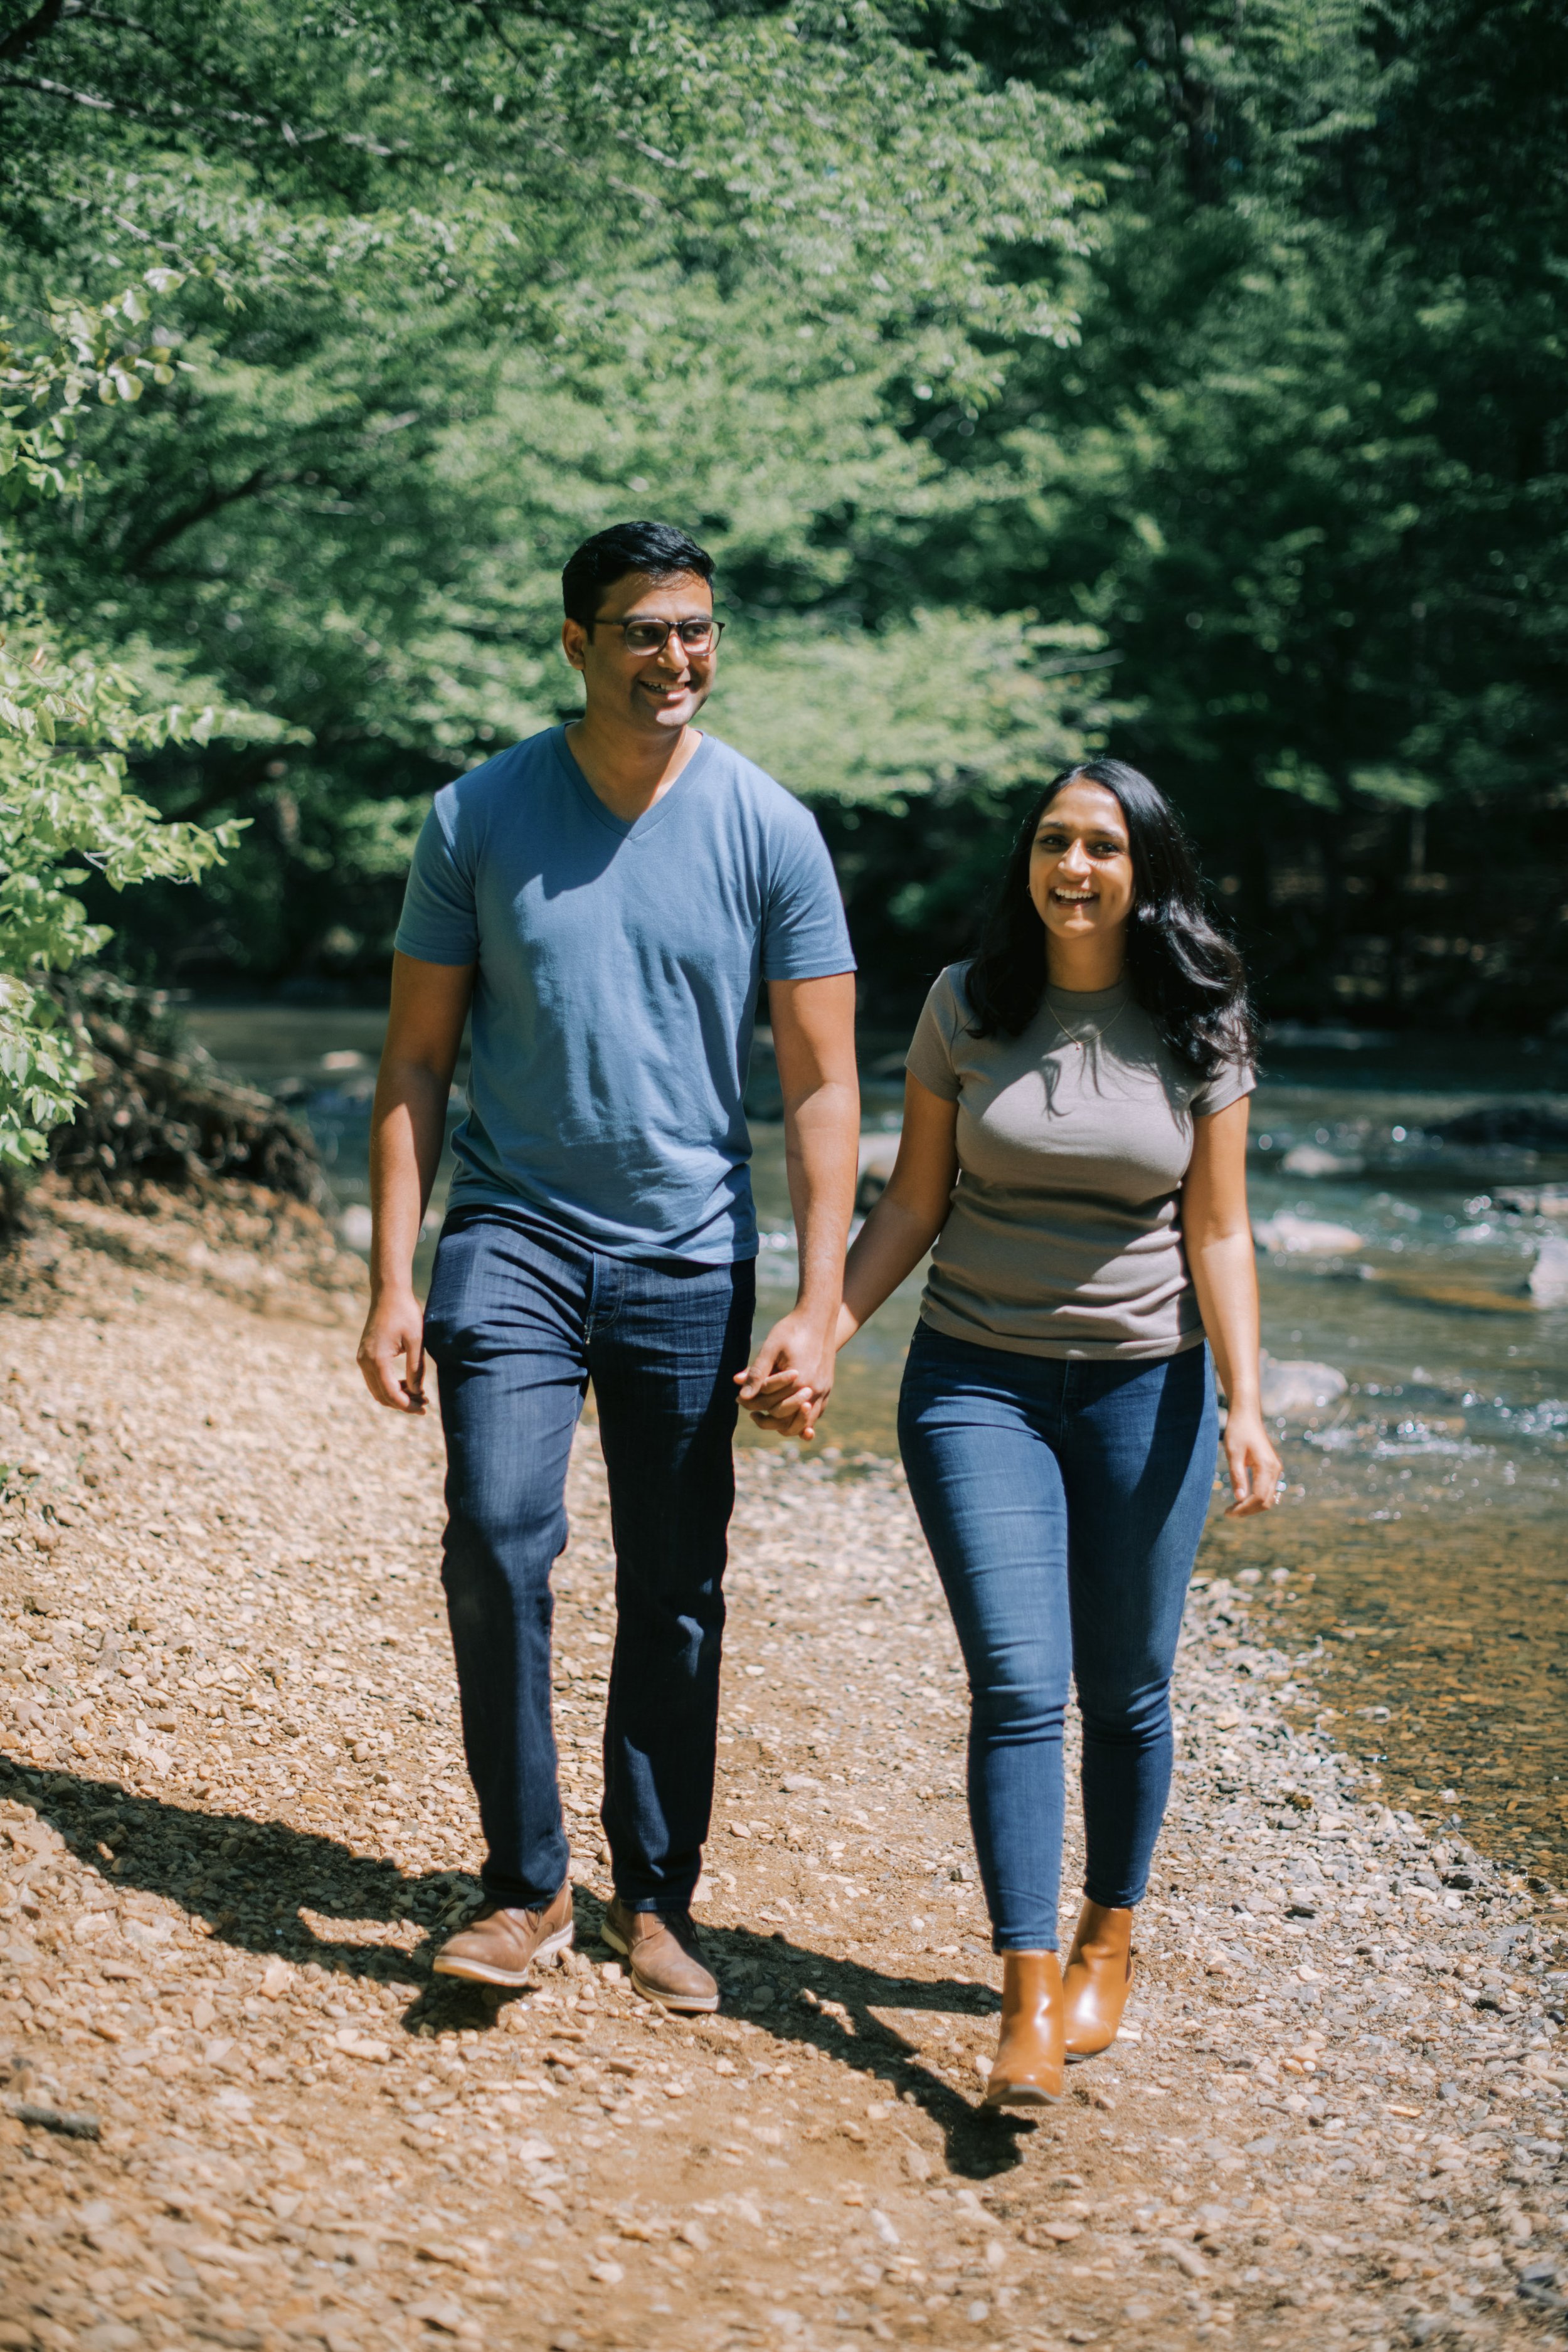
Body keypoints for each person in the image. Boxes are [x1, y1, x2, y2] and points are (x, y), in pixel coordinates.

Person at [358, 520, 859, 2013]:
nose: (674, 657)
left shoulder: (770, 827)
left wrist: (821, 1307)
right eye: (642, 630)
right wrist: (393, 1279)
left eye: (695, 629)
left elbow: (825, 1086)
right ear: (575, 643)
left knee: (676, 1582)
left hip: (689, 1249)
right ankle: (526, 1888)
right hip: (510, 1232)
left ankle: (658, 1898)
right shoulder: (475, 817)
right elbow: (415, 1060)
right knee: (495, 1539)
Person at [743, 759, 1281, 2103]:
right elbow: (911, 1206)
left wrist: (1247, 1403)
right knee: (1017, 1683)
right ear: (1026, 863)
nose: (1073, 868)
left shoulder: (1200, 1023)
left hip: (1143, 1388)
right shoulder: (963, 1006)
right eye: (1052, 842)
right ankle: (1025, 1993)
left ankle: (1112, 1935)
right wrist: (822, 1328)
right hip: (974, 1384)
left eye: (1101, 845)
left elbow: (1216, 1228)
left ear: (1143, 870)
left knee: (1130, 1685)